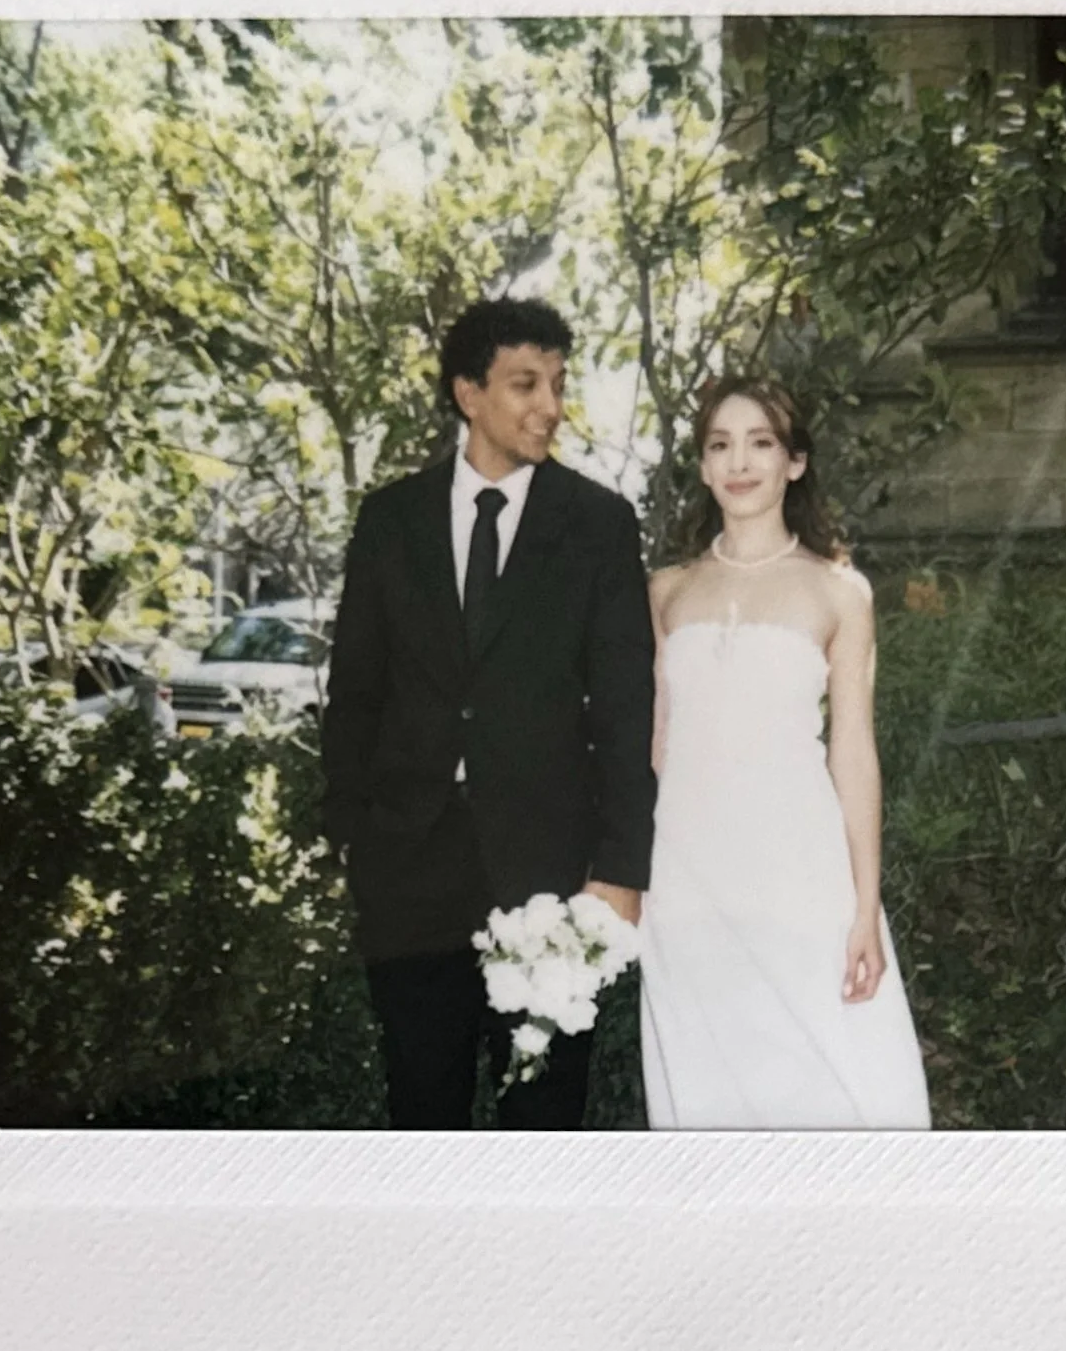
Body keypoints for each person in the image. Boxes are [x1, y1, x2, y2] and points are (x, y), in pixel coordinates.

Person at [320, 297, 656, 1130]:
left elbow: (625, 708)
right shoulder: (391, 522)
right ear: (469, 394)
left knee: (540, 1119)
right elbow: (355, 691)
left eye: (556, 384)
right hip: (409, 873)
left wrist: (620, 869)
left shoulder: (598, 526)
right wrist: (352, 837)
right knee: (422, 1109)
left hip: (547, 871)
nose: (549, 405)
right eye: (524, 384)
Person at [638, 375, 931, 1129]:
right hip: (689, 876)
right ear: (702, 467)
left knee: (823, 1086)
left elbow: (854, 755)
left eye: (761, 443)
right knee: (707, 1085)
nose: (740, 462)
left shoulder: (839, 593)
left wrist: (864, 906)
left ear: (794, 462)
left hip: (799, 876)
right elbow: (653, 744)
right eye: (720, 444)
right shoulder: (664, 591)